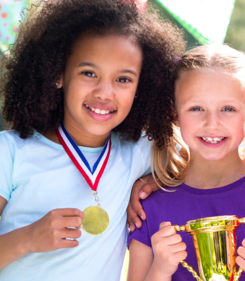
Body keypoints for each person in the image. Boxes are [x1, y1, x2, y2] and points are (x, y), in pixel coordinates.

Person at [0, 0, 184, 280]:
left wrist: (154, 181)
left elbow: (198, 165)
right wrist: (27, 238)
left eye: (123, 79)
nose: (105, 92)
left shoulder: (140, 150)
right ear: (58, 73)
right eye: (88, 73)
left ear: (141, 87)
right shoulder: (9, 152)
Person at [127, 45, 245, 281]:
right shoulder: (149, 205)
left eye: (228, 109)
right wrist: (159, 270)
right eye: (196, 108)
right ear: (174, 114)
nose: (212, 123)